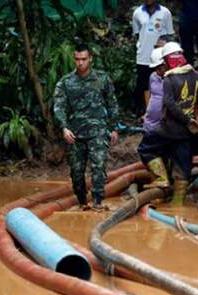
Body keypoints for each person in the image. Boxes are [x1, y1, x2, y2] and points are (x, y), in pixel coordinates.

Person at [53, 43, 119, 211]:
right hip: (75, 134)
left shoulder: (102, 79)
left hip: (98, 132)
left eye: (83, 59)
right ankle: (82, 201)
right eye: (77, 59)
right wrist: (64, 127)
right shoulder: (66, 82)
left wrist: (114, 128)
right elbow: (59, 107)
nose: (80, 63)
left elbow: (112, 103)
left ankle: (97, 201)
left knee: (99, 166)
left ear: (90, 59)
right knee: (76, 172)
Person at [156, 41, 198, 203]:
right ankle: (177, 204)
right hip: (186, 132)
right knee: (183, 166)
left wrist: (186, 120)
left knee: (149, 150)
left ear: (167, 61)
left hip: (168, 130)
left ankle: (163, 185)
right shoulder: (196, 76)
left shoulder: (169, 80)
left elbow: (169, 104)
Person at [132, 0, 174, 116]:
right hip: (143, 57)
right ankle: (147, 113)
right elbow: (136, 34)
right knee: (145, 85)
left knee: (162, 85)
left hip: (160, 58)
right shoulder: (137, 13)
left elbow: (170, 35)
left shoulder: (165, 13)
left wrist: (164, 43)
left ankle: (164, 113)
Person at [137, 47, 169, 188]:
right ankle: (158, 180)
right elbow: (150, 94)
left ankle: (162, 178)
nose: (157, 70)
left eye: (159, 67)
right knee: (150, 151)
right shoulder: (153, 77)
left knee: (148, 150)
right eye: (155, 68)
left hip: (163, 124)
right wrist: (146, 112)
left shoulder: (172, 79)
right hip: (150, 122)